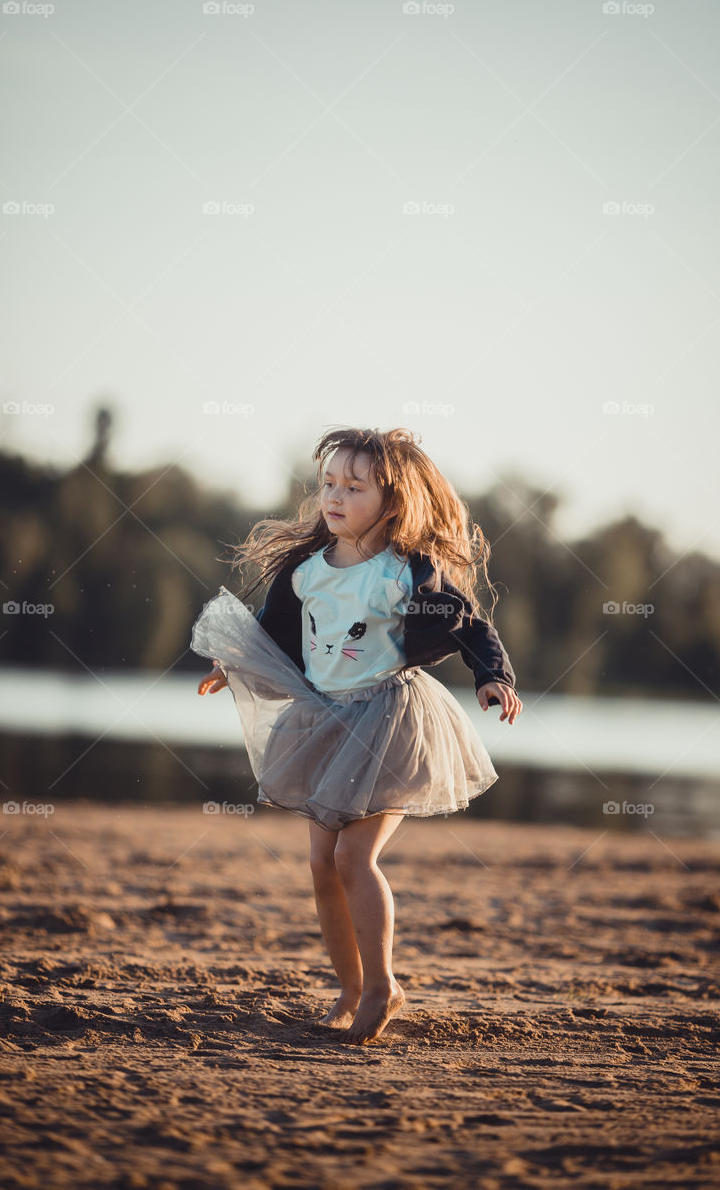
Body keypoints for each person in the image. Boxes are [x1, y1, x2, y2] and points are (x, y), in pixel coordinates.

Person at [192, 426, 522, 1045]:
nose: (335, 496)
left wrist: (491, 678)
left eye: (354, 486)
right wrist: (231, 666)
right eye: (328, 484)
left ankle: (381, 987)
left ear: (391, 502)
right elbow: (273, 637)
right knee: (321, 864)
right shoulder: (306, 570)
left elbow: (470, 628)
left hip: (391, 721)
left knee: (353, 856)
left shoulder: (407, 572)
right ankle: (349, 989)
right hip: (324, 720)